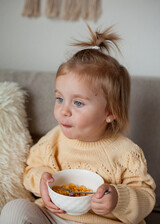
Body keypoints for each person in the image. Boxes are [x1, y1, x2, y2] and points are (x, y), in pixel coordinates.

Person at [0, 25, 156, 224]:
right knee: (13, 209)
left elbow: (146, 197)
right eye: (59, 99)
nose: (64, 110)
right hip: (55, 216)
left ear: (110, 112)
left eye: (78, 102)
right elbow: (31, 169)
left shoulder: (127, 153)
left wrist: (118, 199)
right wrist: (41, 180)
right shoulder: (54, 139)